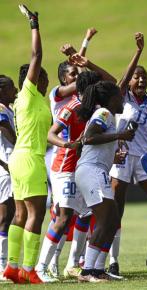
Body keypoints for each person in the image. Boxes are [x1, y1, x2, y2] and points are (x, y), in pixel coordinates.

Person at [108, 33, 147, 276]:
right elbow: (121, 80)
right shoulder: (123, 97)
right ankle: (112, 261)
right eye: (137, 76)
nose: (141, 79)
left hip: (144, 159)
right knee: (116, 210)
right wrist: (138, 52)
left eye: (144, 76)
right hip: (122, 157)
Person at [35, 71, 104, 282]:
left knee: (85, 214)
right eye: (96, 88)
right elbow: (51, 133)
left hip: (81, 168)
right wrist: (68, 144)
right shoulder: (71, 107)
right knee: (64, 217)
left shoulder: (95, 109)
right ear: (87, 89)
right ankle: (41, 267)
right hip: (65, 168)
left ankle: (73, 265)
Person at [3, 5, 51, 284]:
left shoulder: (30, 102)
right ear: (33, 80)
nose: (46, 80)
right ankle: (30, 269)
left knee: (20, 213)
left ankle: (12, 267)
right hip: (31, 159)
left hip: (19, 158)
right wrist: (34, 24)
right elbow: (37, 55)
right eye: (42, 76)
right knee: (36, 212)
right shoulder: (29, 94)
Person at [75, 82, 135, 282]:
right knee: (105, 218)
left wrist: (112, 157)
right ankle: (87, 271)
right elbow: (89, 137)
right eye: (119, 96)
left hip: (96, 170)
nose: (123, 100)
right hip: (91, 171)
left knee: (112, 218)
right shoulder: (104, 114)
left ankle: (98, 268)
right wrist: (120, 135)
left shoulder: (106, 115)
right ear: (111, 99)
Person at [0, 75, 17, 279]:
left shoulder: (9, 109)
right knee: (5, 217)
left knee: (10, 216)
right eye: (12, 88)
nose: (15, 91)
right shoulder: (1, 110)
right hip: (6, 168)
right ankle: (2, 265)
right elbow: (8, 135)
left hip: (10, 166)